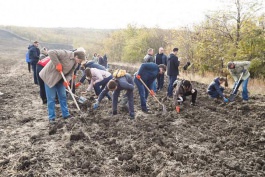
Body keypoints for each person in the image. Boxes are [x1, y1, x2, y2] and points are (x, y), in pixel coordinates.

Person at [39, 49, 86, 123]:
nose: (80, 62)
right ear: (76, 56)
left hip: (61, 79)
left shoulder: (75, 64)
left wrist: (66, 80)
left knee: (63, 97)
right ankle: (52, 117)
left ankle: (66, 114)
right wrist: (57, 64)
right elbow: (51, 52)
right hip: (50, 77)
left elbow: (70, 73)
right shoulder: (66, 54)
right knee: (51, 98)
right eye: (80, 60)